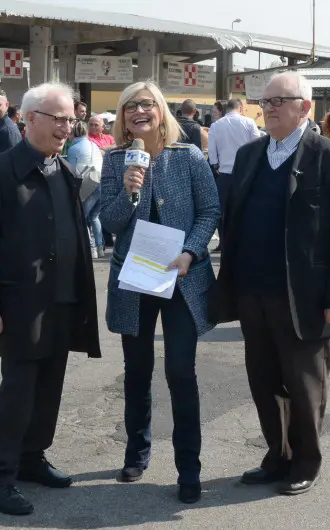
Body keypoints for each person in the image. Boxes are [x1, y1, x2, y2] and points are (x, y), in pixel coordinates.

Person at [209, 73, 330, 496]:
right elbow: (232, 221)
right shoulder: (249, 155)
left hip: (304, 296)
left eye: (281, 100)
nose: (270, 106)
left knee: (304, 382)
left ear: (305, 108)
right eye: (266, 100)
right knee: (263, 380)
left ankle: (305, 461)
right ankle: (276, 455)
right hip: (252, 291)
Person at [0, 82, 101, 516]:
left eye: (70, 120)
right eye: (58, 118)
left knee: (49, 389)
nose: (66, 127)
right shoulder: (0, 171)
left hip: (61, 302)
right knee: (19, 392)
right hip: (20, 305)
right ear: (29, 118)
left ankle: (32, 457)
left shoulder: (62, 170)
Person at [100, 81, 220, 504]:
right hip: (135, 279)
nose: (139, 111)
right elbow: (110, 224)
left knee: (180, 373)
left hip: (181, 278)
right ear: (123, 116)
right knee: (137, 372)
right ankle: (137, 450)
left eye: (147, 104)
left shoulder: (186, 157)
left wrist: (190, 251)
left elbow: (210, 210)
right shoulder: (115, 160)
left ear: (161, 111)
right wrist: (131, 192)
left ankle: (189, 467)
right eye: (130, 106)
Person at [209, 98, 262, 250]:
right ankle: (242, 240)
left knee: (220, 211)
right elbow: (257, 146)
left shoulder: (216, 125)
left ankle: (223, 241)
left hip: (224, 174)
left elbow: (212, 151)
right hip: (246, 174)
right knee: (245, 209)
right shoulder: (249, 122)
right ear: (241, 108)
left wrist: (215, 165)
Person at [66, 120, 104, 258]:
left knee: (81, 217)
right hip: (100, 182)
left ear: (73, 133)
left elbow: (72, 171)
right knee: (94, 217)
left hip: (87, 185)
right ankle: (100, 247)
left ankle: (91, 249)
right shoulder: (94, 145)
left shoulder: (73, 149)